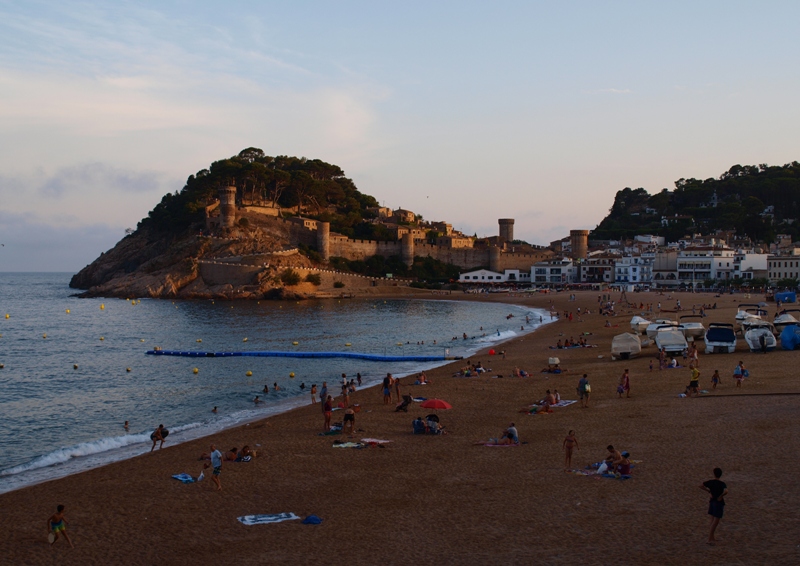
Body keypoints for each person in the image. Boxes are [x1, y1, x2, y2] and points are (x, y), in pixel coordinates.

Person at [700, 468, 728, 545]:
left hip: (712, 502)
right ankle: (709, 539)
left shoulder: (710, 482)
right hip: (718, 503)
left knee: (712, 521)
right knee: (715, 522)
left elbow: (701, 486)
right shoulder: (722, 483)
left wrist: (708, 491)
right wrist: (721, 496)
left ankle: (712, 538)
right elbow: (726, 491)